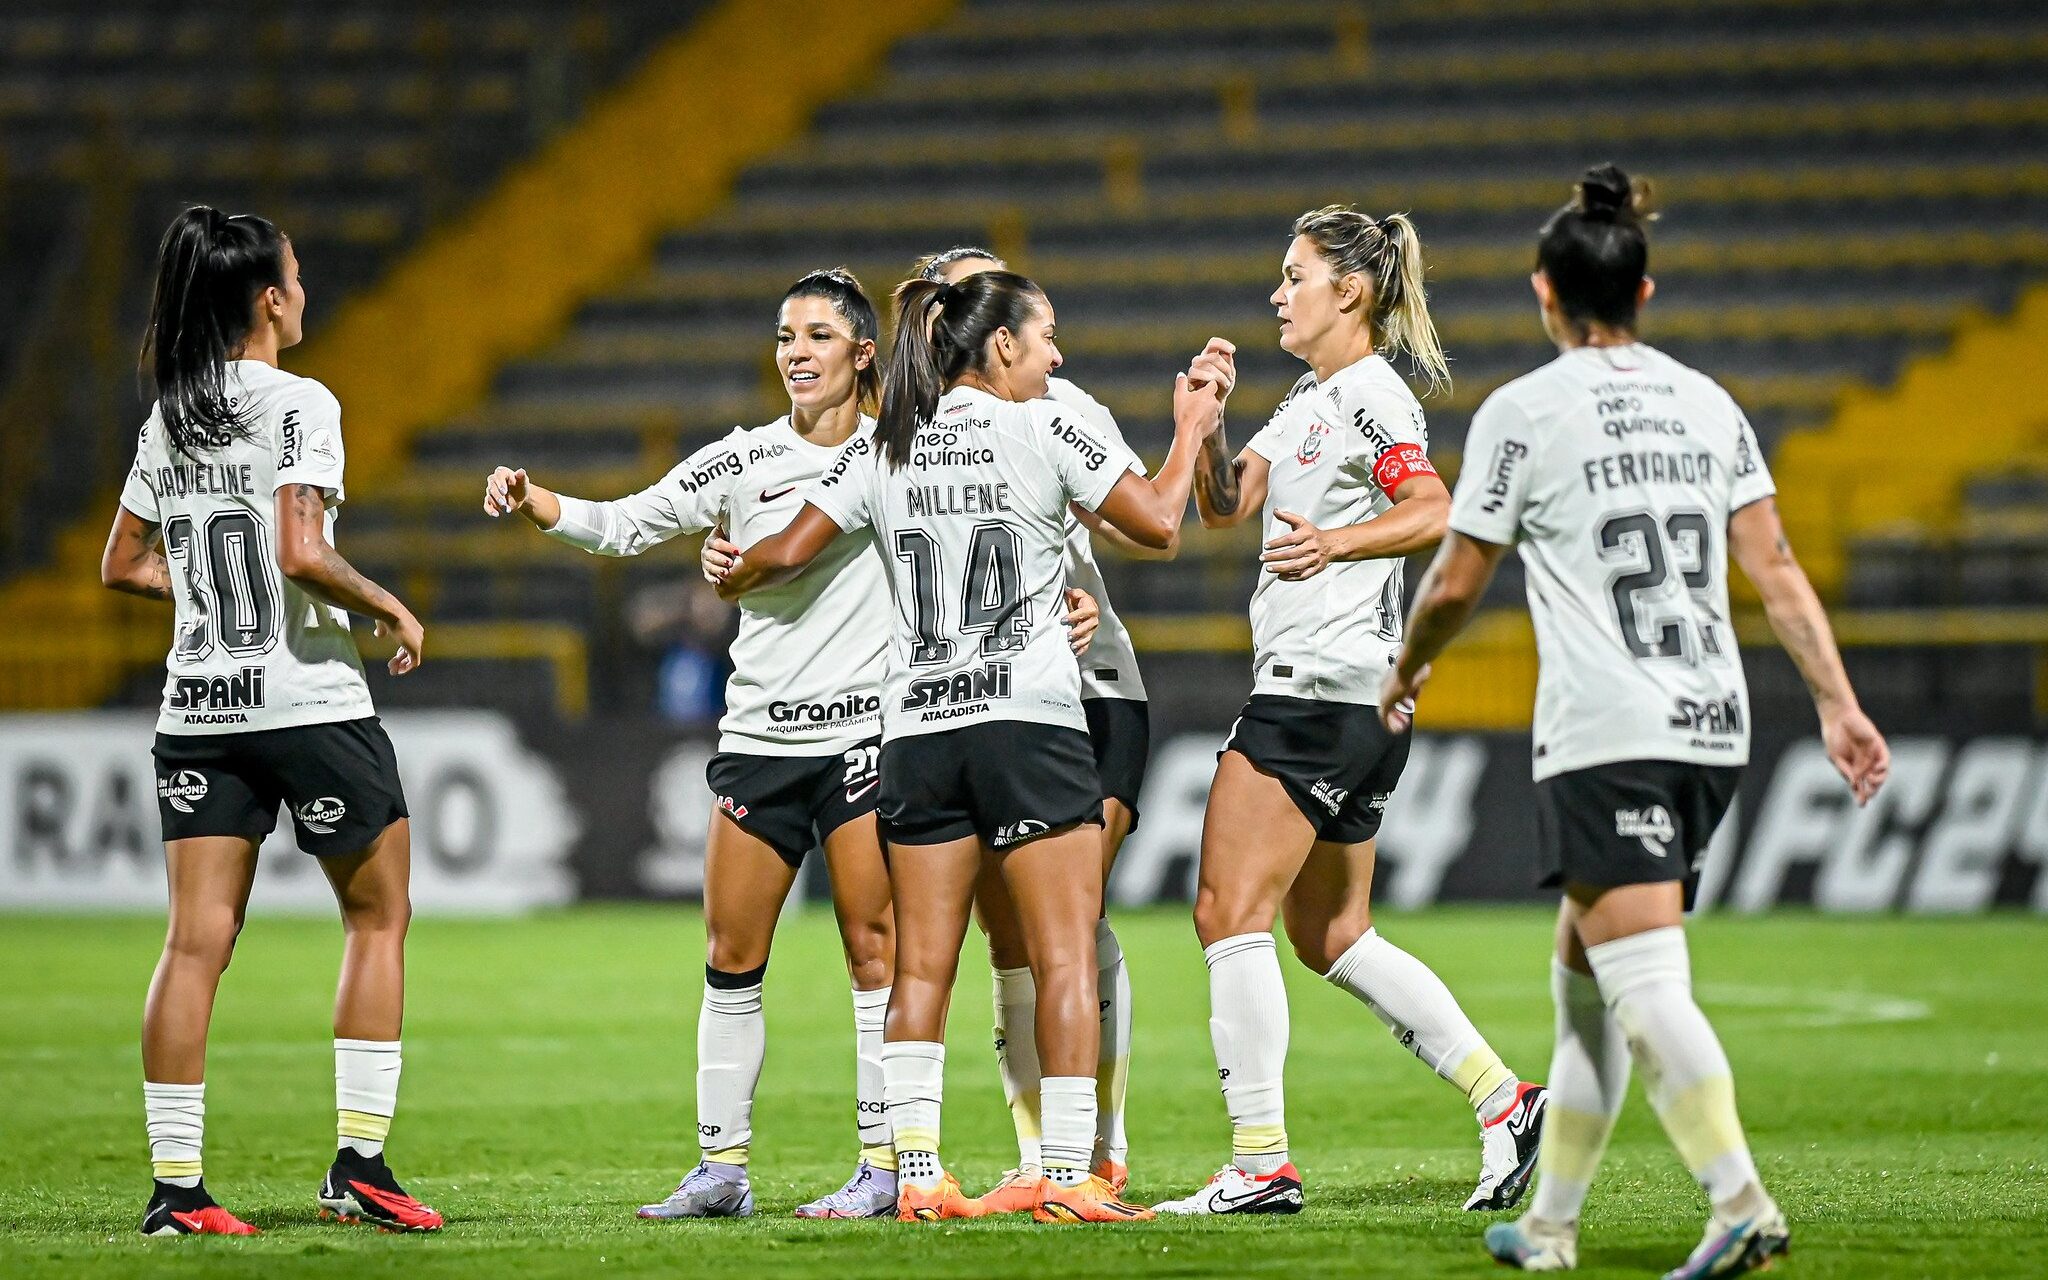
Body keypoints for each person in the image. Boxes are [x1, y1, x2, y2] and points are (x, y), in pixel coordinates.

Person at [1382, 165, 1890, 1277]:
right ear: (1644, 291)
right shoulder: (1707, 403)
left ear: (1540, 293)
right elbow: (1776, 566)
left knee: (1642, 983)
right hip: (1711, 721)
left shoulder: (1522, 411)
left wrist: (1405, 665)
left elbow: (1456, 580)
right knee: (1582, 968)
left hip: (1609, 728)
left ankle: (1739, 1199)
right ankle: (1551, 1222)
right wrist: (1837, 704)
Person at [711, 269, 1221, 1223]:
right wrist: (1189, 427)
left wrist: (727, 566)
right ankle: (1068, 1180)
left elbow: (780, 552)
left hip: (916, 734)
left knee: (922, 968)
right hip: (1026, 722)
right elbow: (1156, 524)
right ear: (1000, 348)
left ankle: (917, 1178)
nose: (1056, 356)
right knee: (1062, 952)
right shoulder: (1044, 424)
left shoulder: (887, 447)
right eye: (1045, 336)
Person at [488, 270, 922, 1218]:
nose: (795, 353)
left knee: (874, 952)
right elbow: (625, 523)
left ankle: (883, 1168)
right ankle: (722, 1170)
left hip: (865, 736)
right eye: (783, 335)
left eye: (816, 335)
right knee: (731, 952)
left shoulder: (899, 458)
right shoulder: (740, 460)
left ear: (861, 354)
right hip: (760, 738)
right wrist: (535, 500)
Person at [1155, 206, 1546, 1217]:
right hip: (1353, 696)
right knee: (1330, 932)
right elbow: (1221, 505)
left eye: (1293, 276)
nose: (1276, 295)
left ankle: (1257, 1159)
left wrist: (1335, 544)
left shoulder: (1371, 396)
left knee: (1222, 912)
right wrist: (1203, 424)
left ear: (1350, 293)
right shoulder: (1304, 401)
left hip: (1316, 688)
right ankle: (1503, 1099)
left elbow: (1430, 508)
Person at [101, 206, 437, 1236]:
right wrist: (383, 602)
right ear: (270, 300)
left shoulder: (172, 415)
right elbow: (298, 546)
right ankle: (361, 1163)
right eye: (296, 273)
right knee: (377, 915)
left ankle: (176, 1189)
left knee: (194, 942)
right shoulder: (301, 400)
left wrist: (202, 594)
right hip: (305, 699)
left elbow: (119, 562)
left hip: (198, 706)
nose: (305, 287)